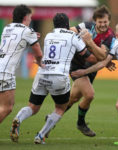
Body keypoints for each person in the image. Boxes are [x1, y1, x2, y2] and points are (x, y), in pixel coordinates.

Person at [10, 13, 107, 143]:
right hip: (59, 76)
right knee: (60, 108)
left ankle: (18, 119)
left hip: (42, 73)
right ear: (67, 24)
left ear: (54, 24)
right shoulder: (73, 36)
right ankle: (40, 135)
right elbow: (90, 58)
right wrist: (99, 53)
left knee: (32, 107)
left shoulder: (49, 35)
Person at [67, 5, 115, 137]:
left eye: (105, 22)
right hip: (77, 65)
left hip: (91, 69)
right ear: (95, 21)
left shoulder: (110, 36)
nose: (103, 24)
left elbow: (101, 56)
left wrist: (89, 42)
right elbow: (69, 31)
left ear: (109, 21)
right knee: (89, 95)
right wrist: (76, 36)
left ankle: (53, 116)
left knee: (73, 98)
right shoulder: (87, 26)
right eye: (100, 22)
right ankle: (81, 123)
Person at [0, 5, 43, 124]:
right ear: (25, 17)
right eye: (30, 17)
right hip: (5, 71)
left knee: (6, 105)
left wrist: (32, 36)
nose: (30, 20)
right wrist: (40, 63)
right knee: (6, 108)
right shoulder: (27, 31)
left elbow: (17, 40)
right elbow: (38, 53)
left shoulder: (7, 27)